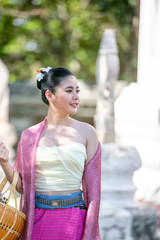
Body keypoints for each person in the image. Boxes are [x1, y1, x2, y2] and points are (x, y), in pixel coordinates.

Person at [0, 67, 101, 240]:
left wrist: (90, 231)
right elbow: (22, 187)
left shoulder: (87, 132)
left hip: (74, 218)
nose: (76, 96)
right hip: (38, 219)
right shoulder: (29, 135)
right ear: (49, 95)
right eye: (69, 91)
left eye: (77, 91)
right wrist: (4, 163)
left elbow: (94, 190)